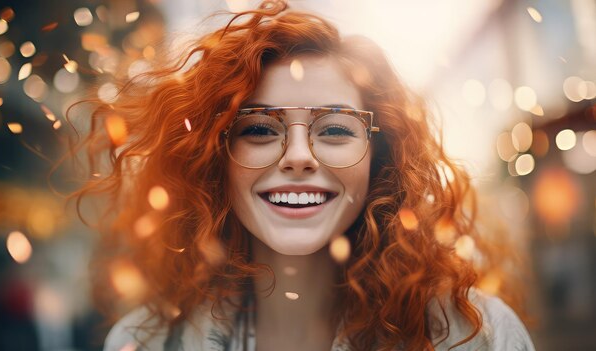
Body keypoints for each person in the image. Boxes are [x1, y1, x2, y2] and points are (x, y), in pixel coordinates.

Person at [72, 1, 535, 350]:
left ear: (381, 155)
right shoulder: (142, 343)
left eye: (335, 128)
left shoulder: (480, 336)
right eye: (257, 128)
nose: (297, 156)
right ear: (216, 157)